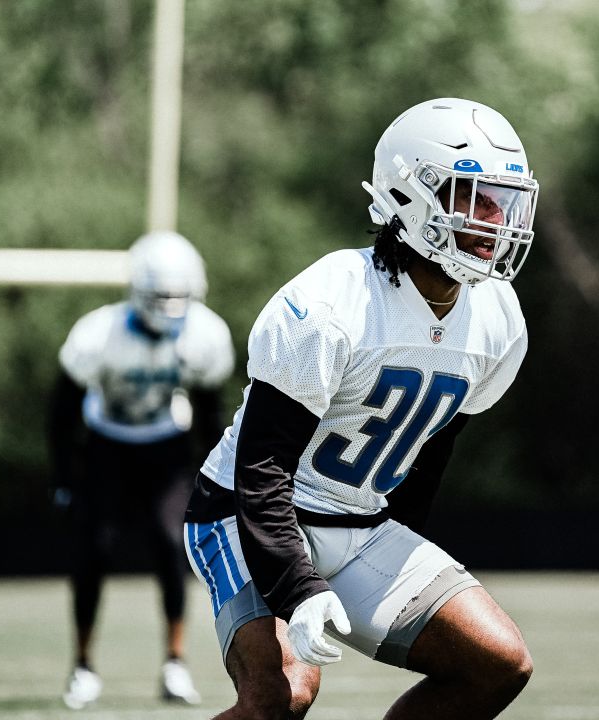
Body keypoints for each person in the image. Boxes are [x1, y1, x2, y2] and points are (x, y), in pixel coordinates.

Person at [183, 97, 539, 719]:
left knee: (496, 664)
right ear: (411, 195)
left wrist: (399, 564)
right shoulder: (335, 301)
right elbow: (261, 472)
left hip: (358, 522)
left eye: (502, 202)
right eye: (473, 198)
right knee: (281, 695)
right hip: (248, 515)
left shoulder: (498, 320)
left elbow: (429, 453)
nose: (493, 221)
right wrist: (298, 586)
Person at [48, 230, 235, 709]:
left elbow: (210, 415)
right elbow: (61, 412)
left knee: (172, 542)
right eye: (161, 295)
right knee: (94, 548)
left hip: (165, 443)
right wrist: (65, 479)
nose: (171, 306)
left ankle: (176, 665)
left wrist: (216, 481)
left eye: (180, 295)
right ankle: (83, 667)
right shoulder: (98, 334)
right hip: (107, 442)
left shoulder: (205, 335)